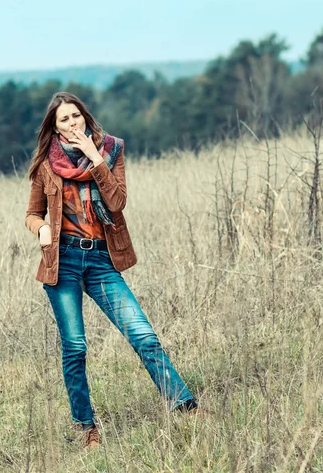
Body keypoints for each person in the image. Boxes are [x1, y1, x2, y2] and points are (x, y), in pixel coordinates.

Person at [25, 92, 198, 449]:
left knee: (143, 335)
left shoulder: (111, 150)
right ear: (53, 128)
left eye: (76, 116)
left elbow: (117, 202)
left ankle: (184, 405)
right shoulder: (46, 164)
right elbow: (32, 214)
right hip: (63, 261)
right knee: (75, 347)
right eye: (64, 120)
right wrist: (40, 229)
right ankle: (86, 427)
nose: (72, 124)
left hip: (102, 260)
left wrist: (93, 156)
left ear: (85, 117)